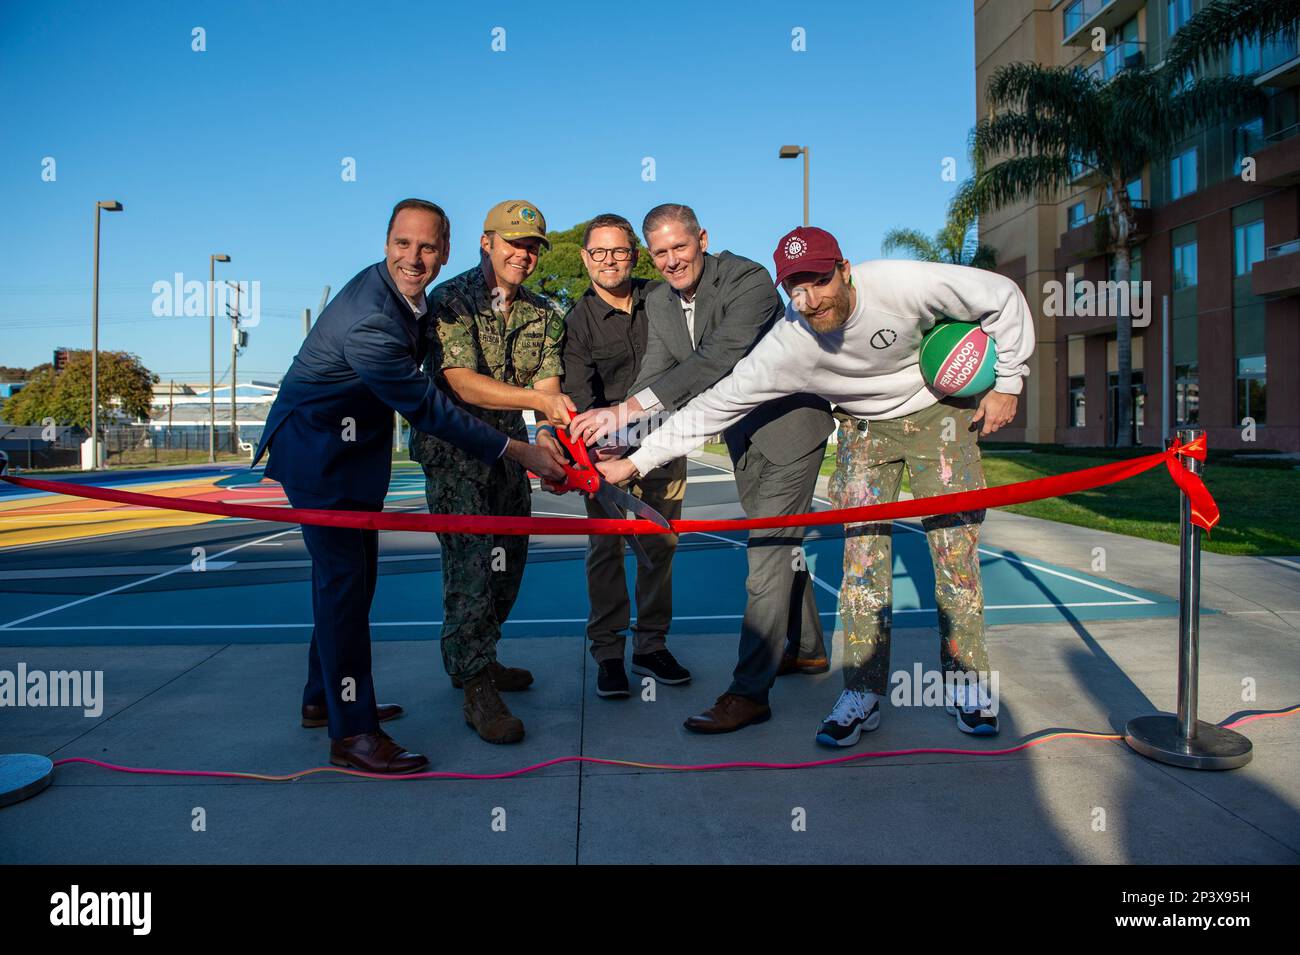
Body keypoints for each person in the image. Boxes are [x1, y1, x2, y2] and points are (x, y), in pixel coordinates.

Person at [596, 226, 1035, 745]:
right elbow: (714, 406)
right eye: (796, 287)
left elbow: (1001, 296)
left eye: (820, 281)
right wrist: (636, 462)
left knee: (953, 553)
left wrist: (1009, 381)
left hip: (939, 414)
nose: (810, 298)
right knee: (862, 564)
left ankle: (966, 683)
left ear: (844, 269)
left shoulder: (900, 284)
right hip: (863, 427)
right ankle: (863, 691)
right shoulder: (790, 344)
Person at [253, 198, 564, 774]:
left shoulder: (405, 298)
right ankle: (354, 737)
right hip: (319, 459)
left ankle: (324, 699)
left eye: (425, 246)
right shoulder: (374, 317)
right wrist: (520, 449)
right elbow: (429, 408)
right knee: (345, 591)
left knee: (351, 584)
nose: (413, 257)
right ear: (387, 242)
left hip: (350, 456)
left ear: (443, 251)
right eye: (403, 244)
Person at [570, 204, 834, 734]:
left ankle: (748, 692)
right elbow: (655, 374)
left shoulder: (750, 280)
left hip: (791, 429)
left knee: (765, 555)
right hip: (741, 435)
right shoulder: (663, 303)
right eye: (660, 252)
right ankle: (804, 648)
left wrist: (623, 413)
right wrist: (618, 437)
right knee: (781, 546)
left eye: (680, 247)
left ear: (703, 240)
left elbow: (713, 361)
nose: (671, 261)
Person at [410, 200, 572, 745]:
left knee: (509, 565)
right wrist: (534, 402)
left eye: (531, 247)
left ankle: (484, 655)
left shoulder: (544, 313)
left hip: (511, 455)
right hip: (455, 454)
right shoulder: (450, 301)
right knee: (471, 569)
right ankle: (475, 684)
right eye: (513, 243)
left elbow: (548, 394)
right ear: (487, 242)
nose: (522, 255)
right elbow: (459, 381)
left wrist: (550, 441)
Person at [561, 213, 689, 699]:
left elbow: (684, 369)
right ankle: (608, 652)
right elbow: (579, 396)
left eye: (618, 251)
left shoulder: (663, 299)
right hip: (604, 455)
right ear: (585, 258)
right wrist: (601, 442)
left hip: (663, 446)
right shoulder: (578, 319)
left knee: (660, 549)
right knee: (607, 552)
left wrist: (650, 436)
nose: (609, 261)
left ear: (634, 256)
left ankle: (651, 645)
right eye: (599, 252)